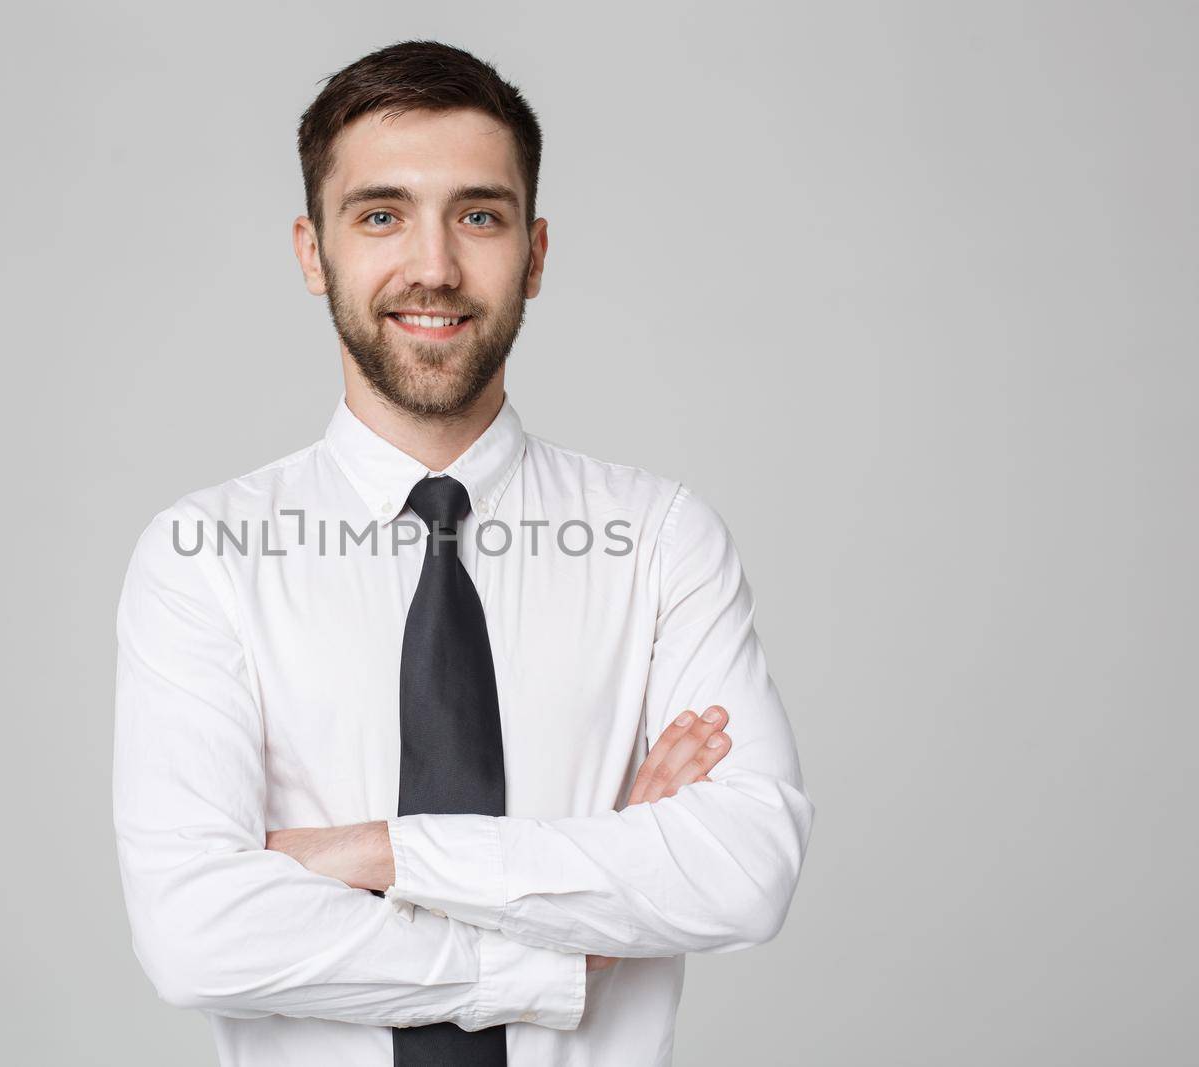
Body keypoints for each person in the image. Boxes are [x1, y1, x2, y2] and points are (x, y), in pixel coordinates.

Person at [113, 39, 814, 1067]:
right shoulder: (204, 556)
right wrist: (556, 947)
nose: (434, 266)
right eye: (382, 214)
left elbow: (745, 868)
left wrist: (377, 851)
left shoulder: (661, 541)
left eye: (477, 215)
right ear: (314, 252)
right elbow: (194, 934)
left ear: (533, 252)